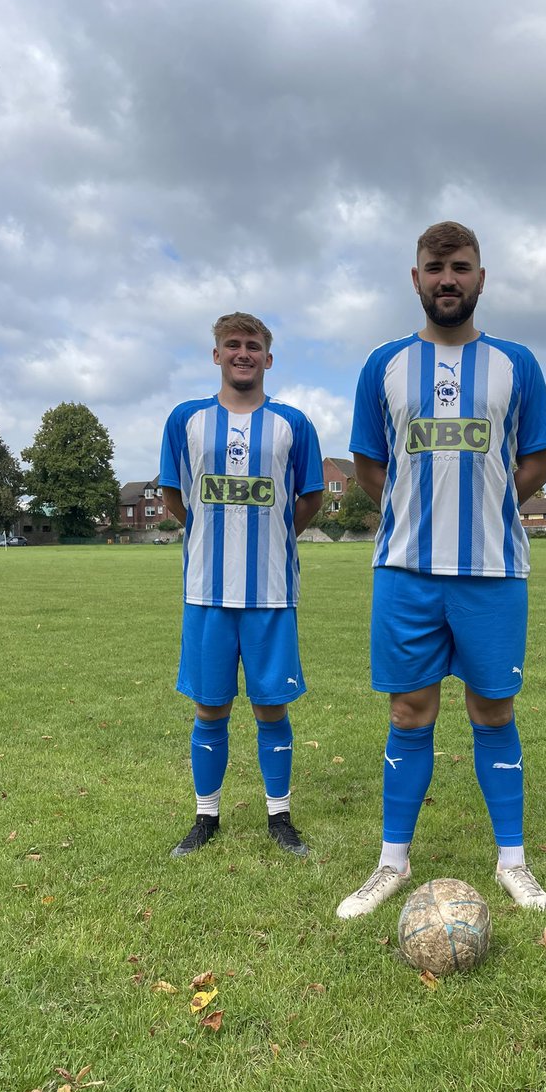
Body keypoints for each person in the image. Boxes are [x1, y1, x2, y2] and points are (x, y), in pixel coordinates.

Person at [336, 221, 546, 918]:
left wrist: (487, 504)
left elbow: (537, 462)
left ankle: (514, 863)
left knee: (493, 708)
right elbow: (371, 465)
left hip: (492, 571)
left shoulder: (516, 363)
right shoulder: (383, 365)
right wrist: (413, 509)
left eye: (460, 267)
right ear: (415, 278)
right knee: (410, 710)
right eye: (435, 268)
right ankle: (391, 863)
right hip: (406, 569)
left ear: (480, 278)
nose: (447, 279)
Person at [160, 312, 324, 857]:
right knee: (210, 707)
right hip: (207, 593)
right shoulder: (185, 420)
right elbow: (174, 498)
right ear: (216, 355)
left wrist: (272, 538)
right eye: (232, 344)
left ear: (268, 358)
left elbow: (308, 500)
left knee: (272, 706)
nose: (242, 353)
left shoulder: (293, 423)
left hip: (271, 593)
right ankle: (207, 817)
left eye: (253, 345)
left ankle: (280, 816)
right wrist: (214, 535)